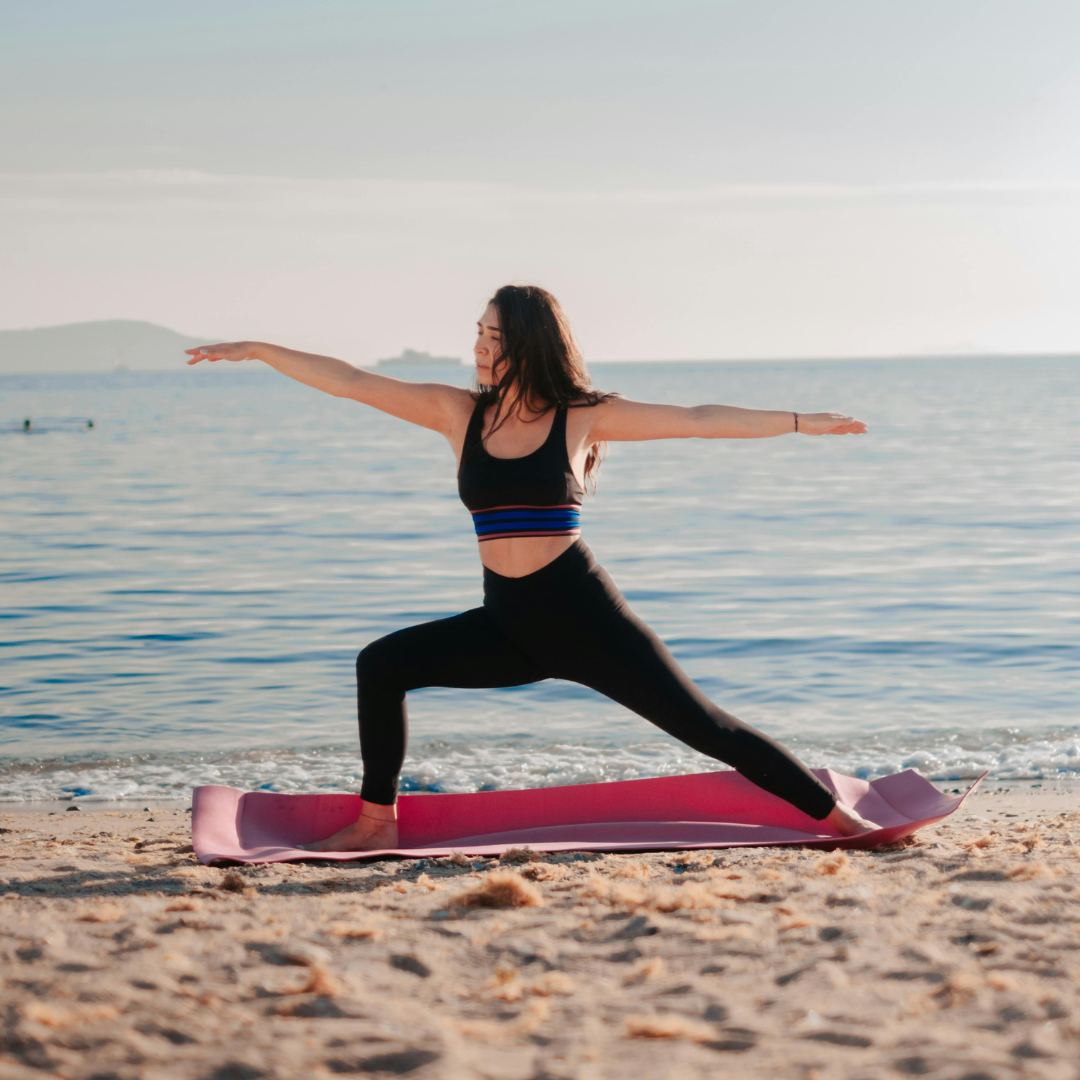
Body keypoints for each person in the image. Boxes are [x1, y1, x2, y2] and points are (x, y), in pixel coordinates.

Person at [187, 284, 876, 850]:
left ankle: (842, 822)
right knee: (382, 664)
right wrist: (256, 348)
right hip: (507, 624)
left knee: (709, 729)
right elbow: (349, 381)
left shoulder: (580, 418)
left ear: (530, 347)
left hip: (587, 619)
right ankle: (377, 820)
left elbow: (697, 417)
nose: (482, 349)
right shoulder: (457, 414)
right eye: (479, 334)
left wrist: (797, 421)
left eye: (497, 339)